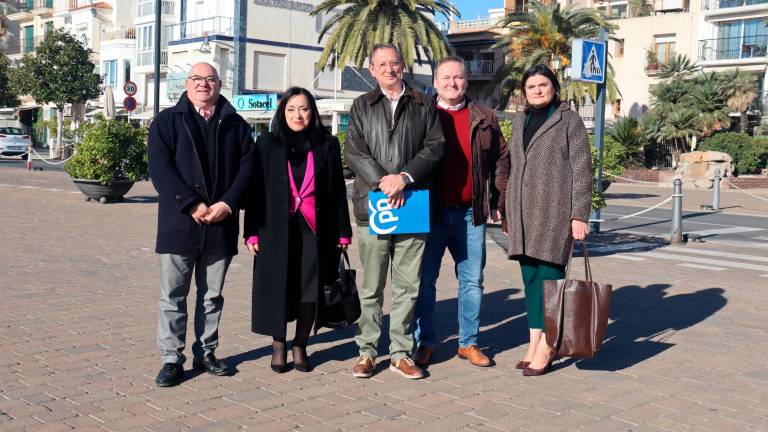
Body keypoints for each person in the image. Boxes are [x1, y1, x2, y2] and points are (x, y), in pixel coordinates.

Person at [148, 62, 256, 387]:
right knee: (173, 296)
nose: (203, 84)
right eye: (197, 79)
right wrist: (191, 202)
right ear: (186, 83)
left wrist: (227, 204)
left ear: (220, 84)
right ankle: (171, 359)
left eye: (210, 79)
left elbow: (248, 169)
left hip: (220, 224)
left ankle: (206, 352)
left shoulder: (236, 125)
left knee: (212, 297)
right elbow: (160, 168)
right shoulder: (167, 121)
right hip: (179, 223)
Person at [345, 43, 444, 379]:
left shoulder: (424, 104)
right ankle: (368, 351)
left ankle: (401, 352)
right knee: (372, 286)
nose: (389, 69)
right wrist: (383, 183)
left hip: (412, 204)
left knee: (407, 285)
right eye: (381, 64)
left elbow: (435, 147)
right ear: (371, 70)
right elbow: (354, 151)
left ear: (404, 66)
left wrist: (403, 177)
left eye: (394, 63)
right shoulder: (361, 105)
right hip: (373, 205)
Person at [243, 87, 352, 373]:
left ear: (313, 112)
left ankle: (300, 343)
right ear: (282, 113)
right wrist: (251, 231)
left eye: (303, 108)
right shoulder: (267, 143)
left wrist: (343, 231)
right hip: (275, 228)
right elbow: (256, 190)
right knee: (279, 287)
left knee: (309, 290)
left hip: (316, 229)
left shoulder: (327, 144)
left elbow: (338, 190)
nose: (297, 115)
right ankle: (278, 344)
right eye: (291, 109)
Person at [412, 56, 509, 368]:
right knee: (425, 281)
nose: (452, 83)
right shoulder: (420, 115)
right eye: (446, 77)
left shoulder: (484, 117)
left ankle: (468, 343)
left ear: (466, 81)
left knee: (471, 282)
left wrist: (499, 199)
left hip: (471, 215)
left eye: (458, 78)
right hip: (429, 213)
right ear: (435, 81)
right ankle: (424, 342)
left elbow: (501, 160)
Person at [496, 64, 592, 376]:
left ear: (554, 87)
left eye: (543, 85)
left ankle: (549, 344)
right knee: (531, 280)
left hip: (554, 212)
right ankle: (534, 338)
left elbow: (581, 169)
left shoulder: (569, 120)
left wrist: (580, 214)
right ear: (524, 92)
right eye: (531, 86)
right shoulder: (521, 119)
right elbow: (512, 165)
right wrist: (507, 209)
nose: (537, 90)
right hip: (522, 211)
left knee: (551, 279)